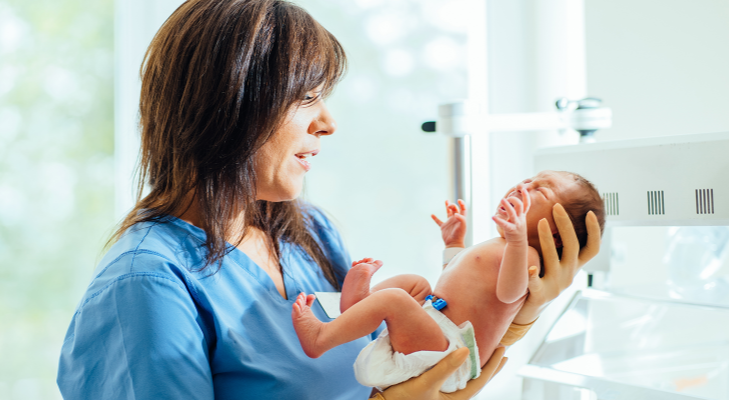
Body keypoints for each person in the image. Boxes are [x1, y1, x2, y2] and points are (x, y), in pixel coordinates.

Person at [55, 1, 602, 399]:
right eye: (308, 97)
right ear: (232, 105)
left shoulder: (308, 233)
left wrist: (520, 309)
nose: (328, 122)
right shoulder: (147, 282)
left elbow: (408, 354)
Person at [291, 171, 605, 393]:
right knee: (414, 284)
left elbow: (510, 294)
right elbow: (454, 278)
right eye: (529, 179)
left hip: (452, 355)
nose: (525, 185)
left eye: (541, 190)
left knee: (397, 301)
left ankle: (321, 338)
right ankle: (356, 307)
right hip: (437, 329)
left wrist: (518, 241)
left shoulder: (527, 256)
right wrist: (454, 242)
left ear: (556, 233)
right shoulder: (500, 246)